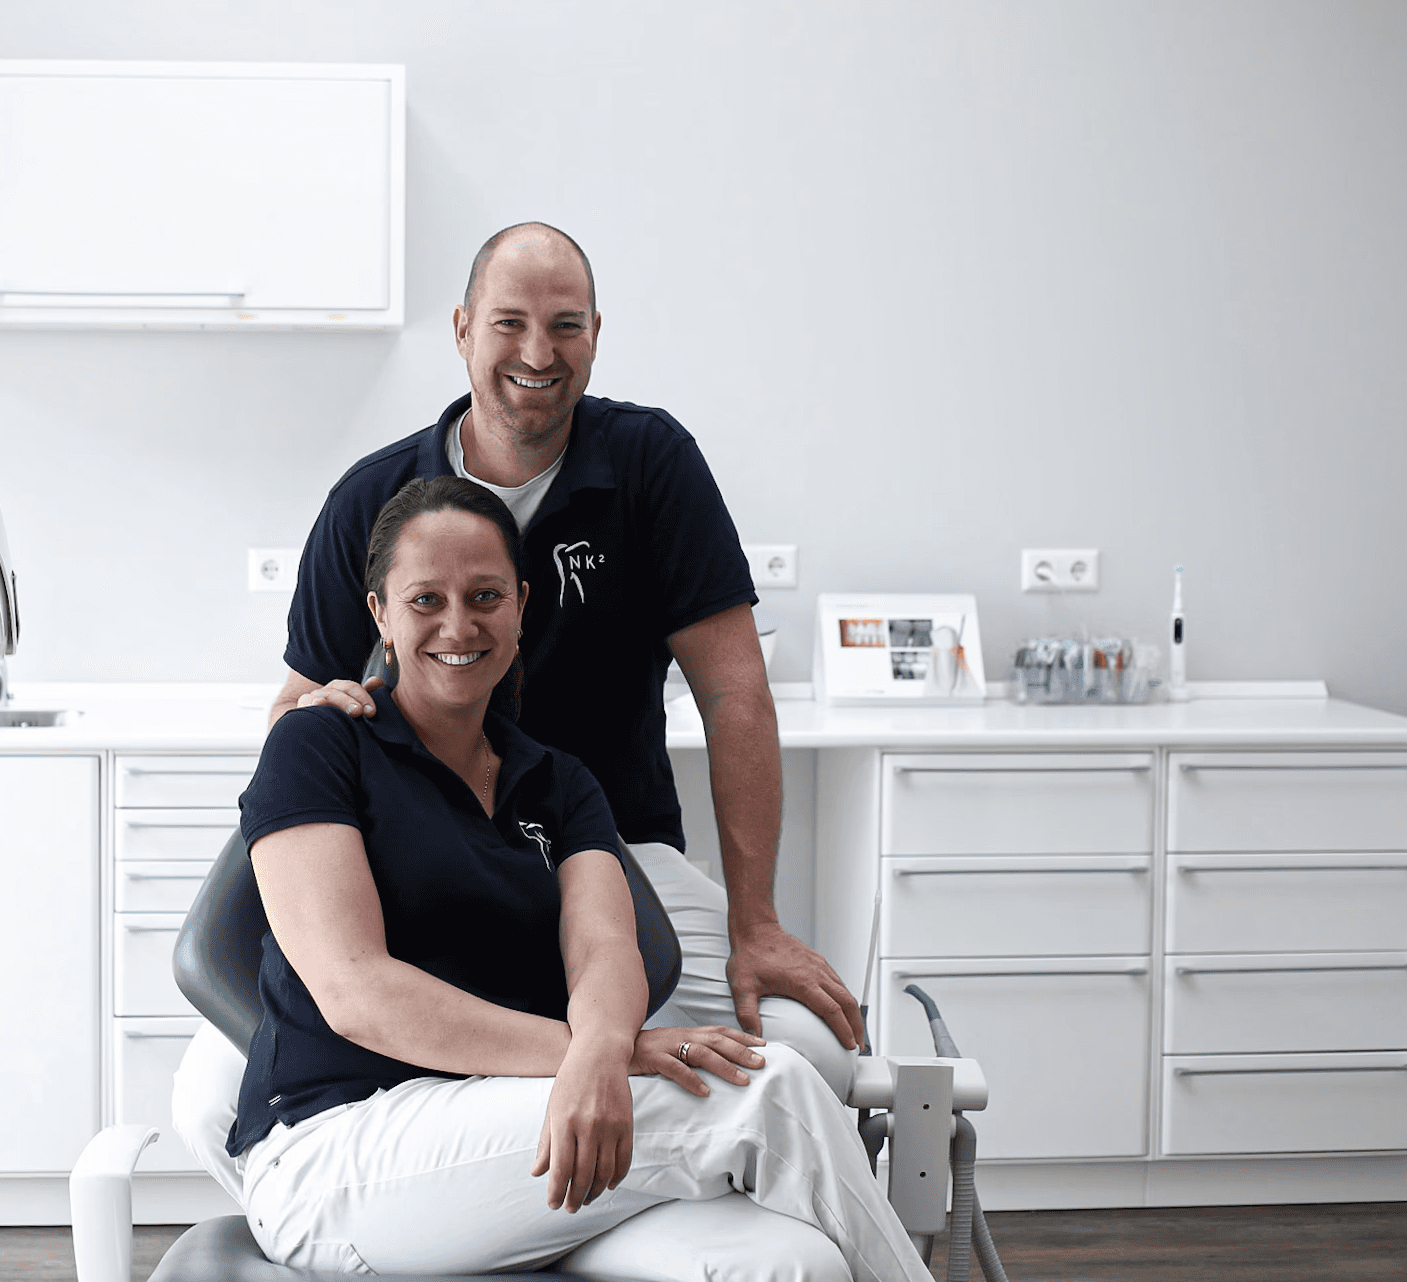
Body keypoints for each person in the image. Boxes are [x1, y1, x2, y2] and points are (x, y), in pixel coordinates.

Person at [217, 476, 927, 1280]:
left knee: (793, 1264)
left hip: (527, 1127)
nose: (459, 624)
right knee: (776, 1091)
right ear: (379, 613)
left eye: (485, 595)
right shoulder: (319, 746)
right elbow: (357, 994)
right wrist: (591, 1057)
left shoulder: (558, 782)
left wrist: (597, 1052)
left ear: (521, 607)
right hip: (340, 1151)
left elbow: (604, 953)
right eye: (425, 600)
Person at [271, 222, 861, 1084]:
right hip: (424, 855)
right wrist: (323, 709)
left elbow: (736, 694)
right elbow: (298, 707)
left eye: (566, 325)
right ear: (463, 328)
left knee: (810, 1059)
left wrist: (757, 922)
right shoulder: (372, 499)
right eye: (508, 322)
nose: (537, 351)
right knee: (222, 1087)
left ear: (595, 332)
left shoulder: (651, 466)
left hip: (616, 845)